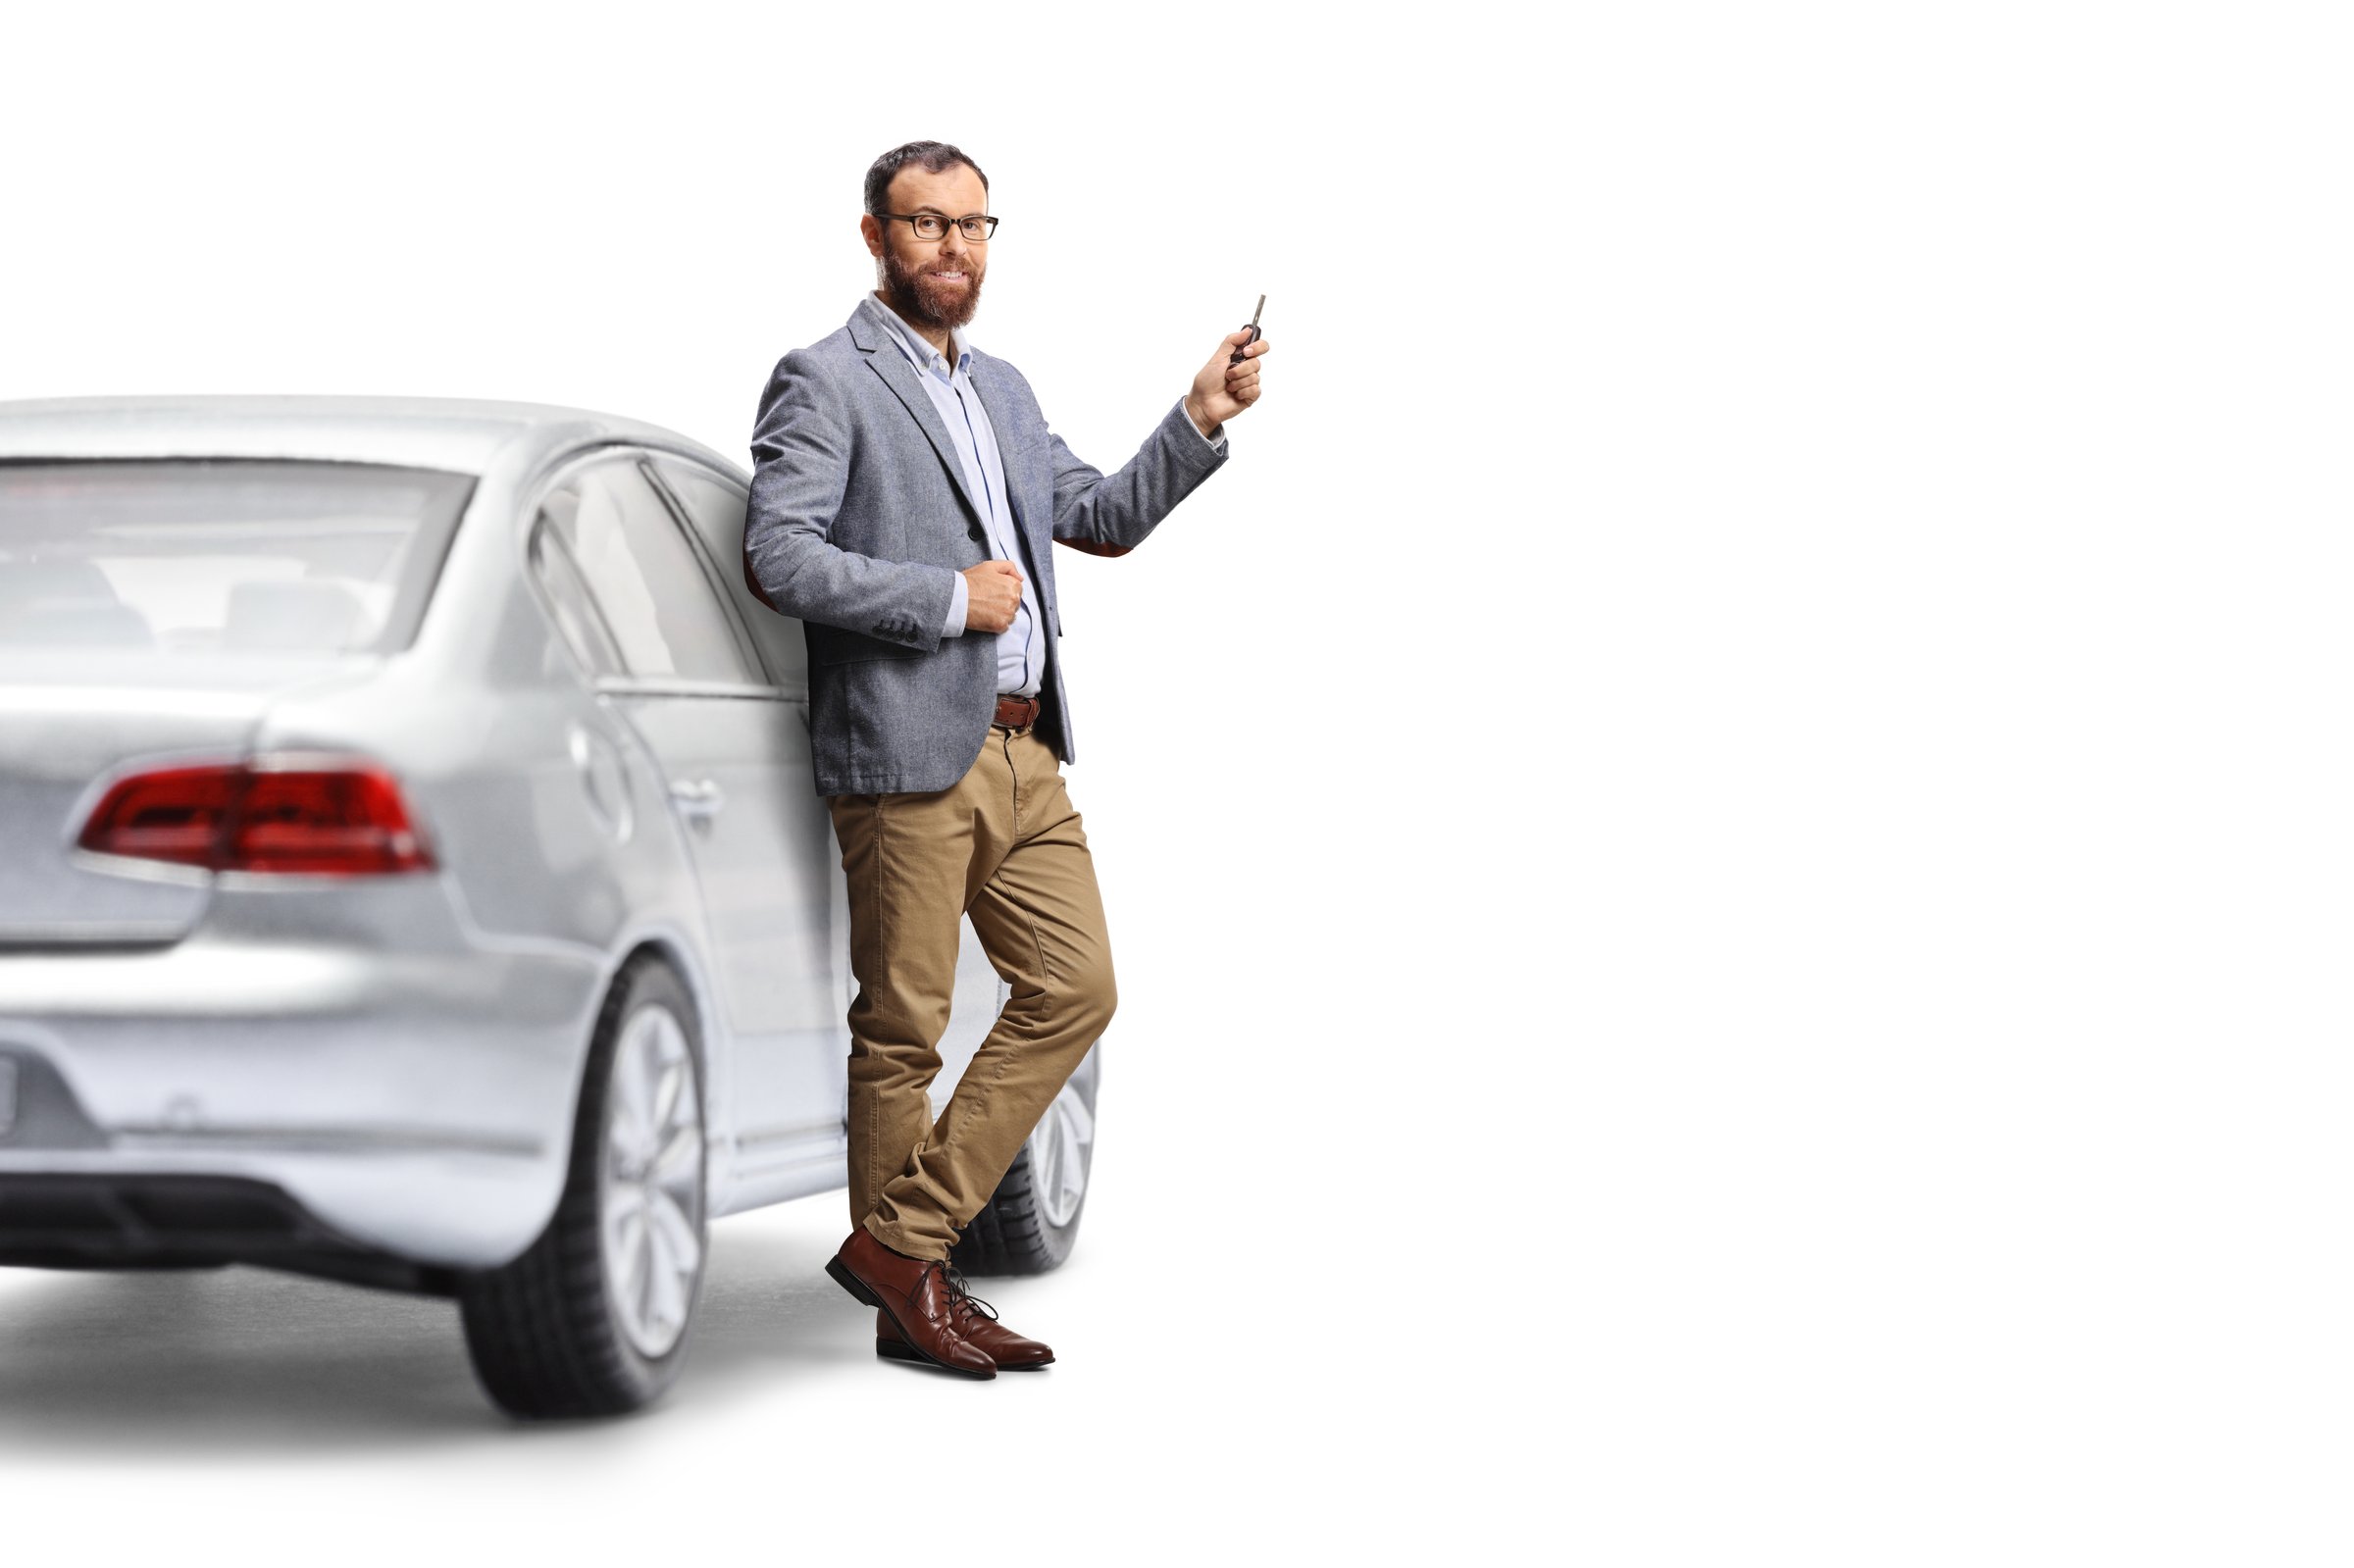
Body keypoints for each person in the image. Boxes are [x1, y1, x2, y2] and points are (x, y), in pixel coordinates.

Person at [742, 140, 1269, 1378]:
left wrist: (1198, 416)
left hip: (1030, 753)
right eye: (929, 227)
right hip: (908, 748)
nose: (955, 250)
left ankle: (900, 1248)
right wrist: (942, 599)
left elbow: (1095, 517)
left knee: (1076, 991)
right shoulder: (822, 380)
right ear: (876, 236)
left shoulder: (1008, 393)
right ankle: (909, 1296)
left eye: (976, 227)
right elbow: (782, 556)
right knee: (905, 1031)